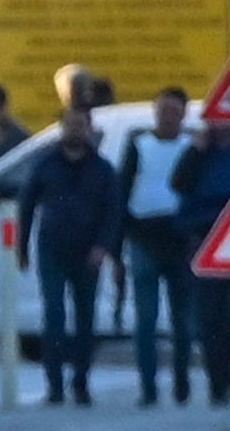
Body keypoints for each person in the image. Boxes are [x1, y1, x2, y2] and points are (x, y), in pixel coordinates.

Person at [17, 107, 125, 405]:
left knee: (85, 320)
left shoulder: (103, 169)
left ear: (89, 129)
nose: (75, 130)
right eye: (69, 125)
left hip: (88, 252)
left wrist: (104, 247)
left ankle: (81, 383)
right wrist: (22, 248)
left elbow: (113, 213)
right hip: (52, 248)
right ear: (61, 127)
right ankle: (54, 386)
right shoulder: (45, 165)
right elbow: (26, 207)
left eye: (80, 125)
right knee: (53, 316)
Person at [113, 88, 198, 405]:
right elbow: (122, 191)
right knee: (146, 320)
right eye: (162, 110)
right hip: (143, 238)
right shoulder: (139, 145)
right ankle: (148, 387)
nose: (167, 116)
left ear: (183, 114)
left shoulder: (192, 146)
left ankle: (181, 384)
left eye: (174, 111)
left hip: (180, 240)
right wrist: (118, 243)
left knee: (182, 323)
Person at [174, 122, 230, 408]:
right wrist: (196, 152)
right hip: (206, 239)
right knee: (212, 318)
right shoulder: (201, 152)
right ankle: (219, 385)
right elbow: (179, 185)